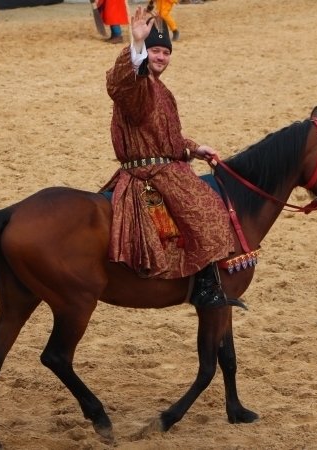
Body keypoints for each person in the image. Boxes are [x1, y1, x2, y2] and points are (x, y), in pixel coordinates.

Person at [101, 6, 236, 308]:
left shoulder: (162, 90)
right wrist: (135, 44)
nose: (161, 57)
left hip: (166, 165)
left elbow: (167, 139)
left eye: (165, 52)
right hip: (149, 176)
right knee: (207, 208)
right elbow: (120, 83)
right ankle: (204, 287)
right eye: (155, 51)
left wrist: (193, 148)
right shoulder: (138, 86)